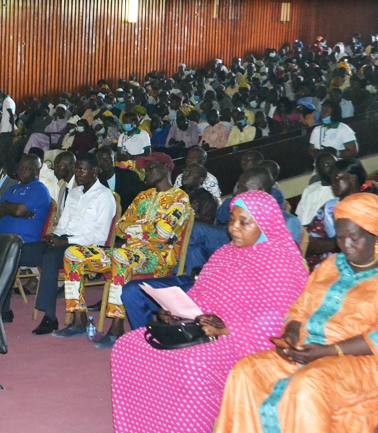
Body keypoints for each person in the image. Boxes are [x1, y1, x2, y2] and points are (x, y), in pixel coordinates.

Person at [111, 190, 309, 433]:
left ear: (265, 224)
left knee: (192, 362)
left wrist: (227, 327)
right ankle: (144, 427)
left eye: (243, 222)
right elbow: (201, 293)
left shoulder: (283, 260)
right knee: (128, 347)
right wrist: (175, 311)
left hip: (241, 339)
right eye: (232, 220)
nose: (233, 228)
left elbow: (284, 318)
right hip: (199, 325)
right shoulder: (225, 253)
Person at [216, 192, 378, 433]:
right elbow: (299, 309)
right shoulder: (329, 266)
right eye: (341, 238)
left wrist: (328, 351)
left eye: (355, 238)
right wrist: (290, 337)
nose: (347, 246)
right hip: (308, 349)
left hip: (359, 361)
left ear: (374, 236)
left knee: (309, 383)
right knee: (246, 371)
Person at [55, 152, 190, 348]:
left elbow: (164, 232)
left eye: (151, 168)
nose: (146, 172)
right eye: (145, 168)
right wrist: (144, 229)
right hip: (129, 252)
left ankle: (117, 326)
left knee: (120, 256)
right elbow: (120, 226)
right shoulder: (143, 196)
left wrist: (137, 229)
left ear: (167, 168)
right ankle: (79, 318)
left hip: (157, 257)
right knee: (72, 254)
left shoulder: (180, 198)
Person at [31, 153, 116, 335]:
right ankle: (2, 308)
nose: (77, 173)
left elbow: (100, 236)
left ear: (94, 171)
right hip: (66, 241)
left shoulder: (104, 196)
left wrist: (65, 241)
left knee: (51, 257)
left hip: (89, 248)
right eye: (77, 169)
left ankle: (50, 317)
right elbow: (63, 223)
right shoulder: (74, 193)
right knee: (33, 250)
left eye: (82, 170)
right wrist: (54, 236)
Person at [0, 154, 51, 321]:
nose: (23, 172)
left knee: (4, 256)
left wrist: (9, 208)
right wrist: (9, 207)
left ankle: (3, 310)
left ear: (37, 170)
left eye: (28, 169)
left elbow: (18, 211)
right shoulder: (14, 188)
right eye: (21, 168)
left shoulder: (39, 189)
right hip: (2, 241)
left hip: (27, 246)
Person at [305, 158, 372, 270]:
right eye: (331, 180)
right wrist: (340, 243)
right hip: (338, 266)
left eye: (337, 178)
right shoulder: (329, 208)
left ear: (352, 178)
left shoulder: (371, 203)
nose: (333, 184)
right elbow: (311, 244)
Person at [96, 147, 146, 214]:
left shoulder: (129, 176)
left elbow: (142, 195)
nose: (105, 162)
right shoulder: (97, 181)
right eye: (101, 159)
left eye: (108, 158)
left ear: (114, 159)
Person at [296, 152, 336, 225]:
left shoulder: (338, 190)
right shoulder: (309, 190)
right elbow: (300, 216)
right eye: (327, 165)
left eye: (334, 164)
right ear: (317, 169)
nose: (332, 168)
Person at [0, 88, 17, 175]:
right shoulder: (11, 101)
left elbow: (11, 115)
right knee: (8, 153)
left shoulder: (7, 101)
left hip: (6, 131)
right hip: (7, 130)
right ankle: (10, 172)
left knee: (2, 153)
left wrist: (12, 129)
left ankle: (5, 172)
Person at [52, 151, 76, 226]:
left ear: (70, 167)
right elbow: (59, 217)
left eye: (58, 165)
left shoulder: (80, 187)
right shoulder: (63, 186)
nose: (54, 168)